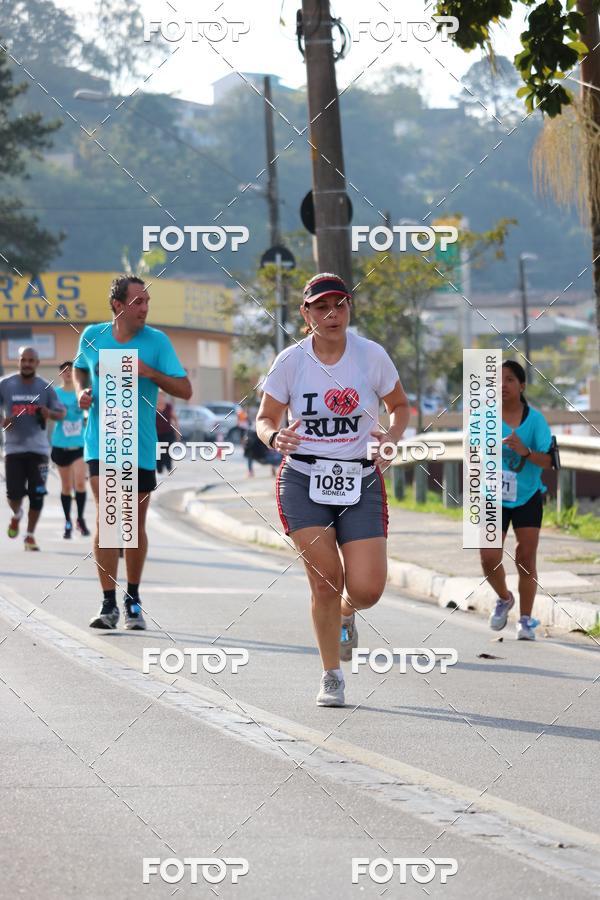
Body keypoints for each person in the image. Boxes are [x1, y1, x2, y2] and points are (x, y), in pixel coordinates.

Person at [256, 273, 410, 707]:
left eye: (339, 305)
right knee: (326, 581)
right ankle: (331, 675)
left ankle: (348, 613)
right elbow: (265, 417)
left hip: (360, 477)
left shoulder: (370, 356)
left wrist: (393, 436)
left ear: (348, 310)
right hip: (303, 479)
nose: (332, 314)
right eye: (321, 307)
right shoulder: (290, 360)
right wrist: (274, 437)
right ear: (306, 315)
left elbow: (399, 405)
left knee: (366, 590)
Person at [73, 275, 192, 630]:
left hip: (138, 446)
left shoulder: (157, 342)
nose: (144, 308)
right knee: (109, 519)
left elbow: (185, 389)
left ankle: (133, 598)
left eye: (147, 303)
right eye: (137, 302)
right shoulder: (92, 336)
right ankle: (108, 602)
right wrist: (83, 393)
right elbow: (81, 369)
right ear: (118, 305)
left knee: (133, 525)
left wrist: (148, 372)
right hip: (101, 442)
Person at [482, 360, 553, 641]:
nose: (503, 385)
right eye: (497, 381)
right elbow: (471, 453)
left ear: (521, 386)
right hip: (492, 496)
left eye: (510, 379)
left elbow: (548, 461)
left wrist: (524, 451)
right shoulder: (484, 418)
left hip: (526, 496)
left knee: (525, 558)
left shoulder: (535, 421)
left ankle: (525, 620)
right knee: (488, 558)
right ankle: (504, 598)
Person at [0, 346, 66, 551]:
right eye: (23, 360)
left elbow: (61, 412)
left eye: (31, 360)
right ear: (18, 362)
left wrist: (49, 413)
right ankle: (17, 514)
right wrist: (2, 420)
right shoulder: (5, 385)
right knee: (14, 494)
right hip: (13, 450)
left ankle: (29, 535)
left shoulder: (45, 387)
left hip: (39, 451)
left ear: (37, 363)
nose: (27, 363)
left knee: (37, 494)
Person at [50, 361, 89, 538]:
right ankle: (67, 521)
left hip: (79, 445)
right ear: (60, 374)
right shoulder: (54, 394)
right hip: (60, 444)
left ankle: (80, 518)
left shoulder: (80, 391)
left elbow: (89, 411)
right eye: (63, 370)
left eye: (70, 370)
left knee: (80, 483)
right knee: (66, 486)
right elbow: (48, 413)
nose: (67, 373)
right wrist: (57, 414)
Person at [156, 391, 180, 474]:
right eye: (158, 396)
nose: (160, 398)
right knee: (158, 452)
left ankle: (169, 467)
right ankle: (159, 469)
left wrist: (177, 432)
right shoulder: (153, 406)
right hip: (157, 433)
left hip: (168, 432)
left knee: (168, 450)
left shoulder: (169, 407)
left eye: (162, 396)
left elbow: (175, 419)